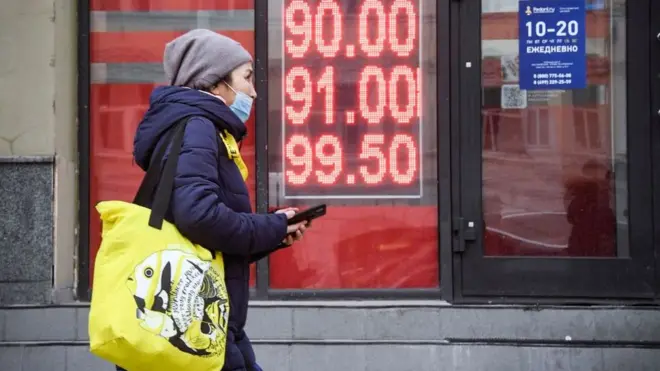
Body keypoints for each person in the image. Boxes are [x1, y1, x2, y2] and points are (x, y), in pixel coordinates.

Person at [127, 29, 308, 371]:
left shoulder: (196, 127)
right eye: (247, 78)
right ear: (214, 85)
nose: (253, 91)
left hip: (209, 324)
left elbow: (206, 242)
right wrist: (270, 225)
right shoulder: (198, 126)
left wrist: (275, 232)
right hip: (202, 327)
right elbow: (199, 217)